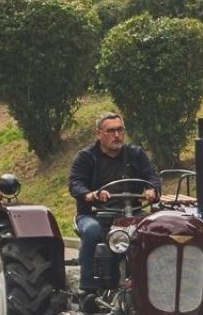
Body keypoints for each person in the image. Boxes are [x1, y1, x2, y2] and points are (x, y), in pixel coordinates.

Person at [67, 112, 160, 295]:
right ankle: (87, 288)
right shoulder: (85, 157)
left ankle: (152, 284)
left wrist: (152, 189)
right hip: (94, 214)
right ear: (99, 133)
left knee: (155, 229)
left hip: (131, 213)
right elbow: (75, 184)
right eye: (111, 131)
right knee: (92, 231)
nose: (117, 135)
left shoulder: (135, 154)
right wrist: (91, 195)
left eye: (120, 130)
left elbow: (152, 177)